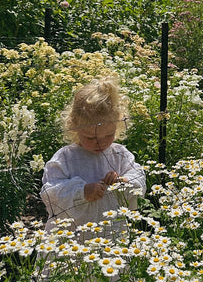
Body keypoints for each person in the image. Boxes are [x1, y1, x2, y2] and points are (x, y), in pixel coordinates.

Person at [40, 76, 146, 235]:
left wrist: (123, 182)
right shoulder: (65, 158)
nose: (101, 143)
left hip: (111, 232)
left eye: (108, 135)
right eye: (91, 137)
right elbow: (50, 194)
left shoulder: (119, 155)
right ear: (74, 127)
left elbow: (138, 177)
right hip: (71, 237)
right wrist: (82, 191)